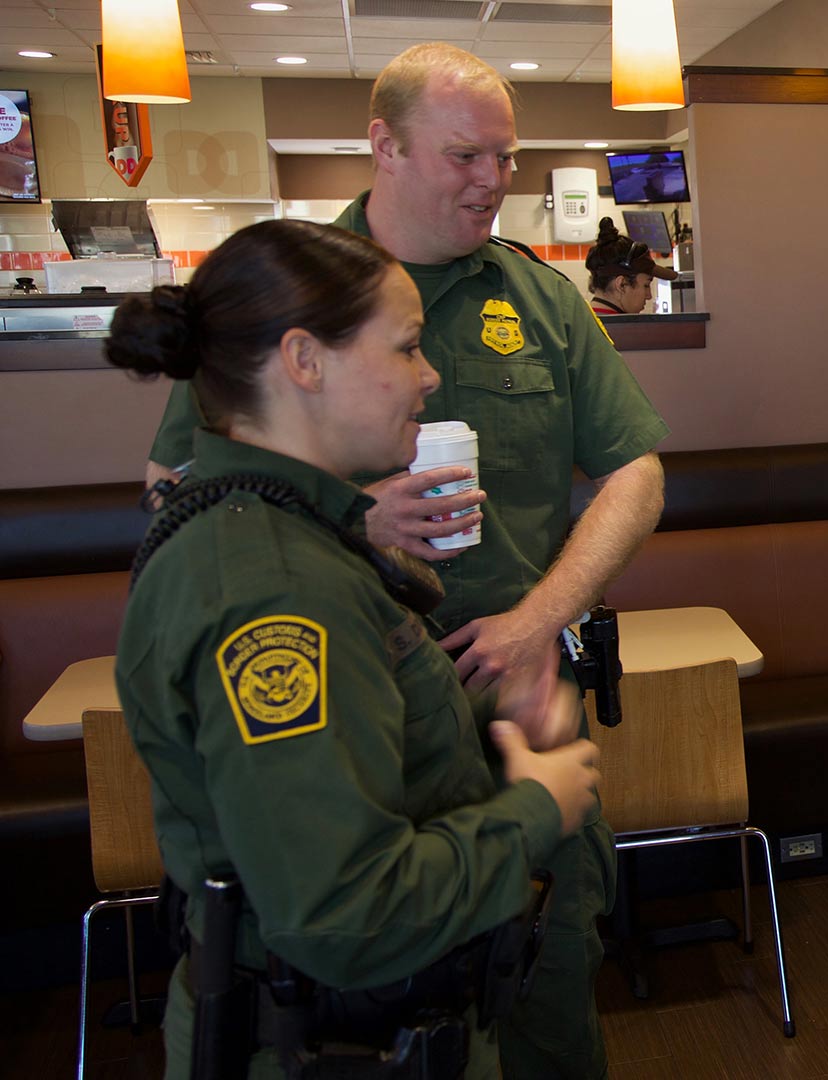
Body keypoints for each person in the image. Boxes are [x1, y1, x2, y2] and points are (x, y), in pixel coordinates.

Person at [143, 44, 670, 1080]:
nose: (493, 180)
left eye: (505, 159)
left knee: (543, 1008)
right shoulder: (290, 289)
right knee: (374, 1015)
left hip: (512, 717)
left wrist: (538, 618)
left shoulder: (540, 295)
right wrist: (338, 512)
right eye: (465, 155)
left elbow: (635, 471)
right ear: (382, 146)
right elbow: (178, 483)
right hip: (348, 749)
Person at [106, 218, 605, 1077]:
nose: (431, 375)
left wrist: (485, 716)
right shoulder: (272, 587)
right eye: (407, 348)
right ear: (305, 361)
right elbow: (348, 911)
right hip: (337, 1044)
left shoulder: (284, 528)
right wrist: (535, 808)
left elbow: (363, 727)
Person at [584, 216, 677, 316]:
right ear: (621, 285)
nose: (649, 296)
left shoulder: (581, 322)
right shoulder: (623, 330)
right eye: (646, 285)